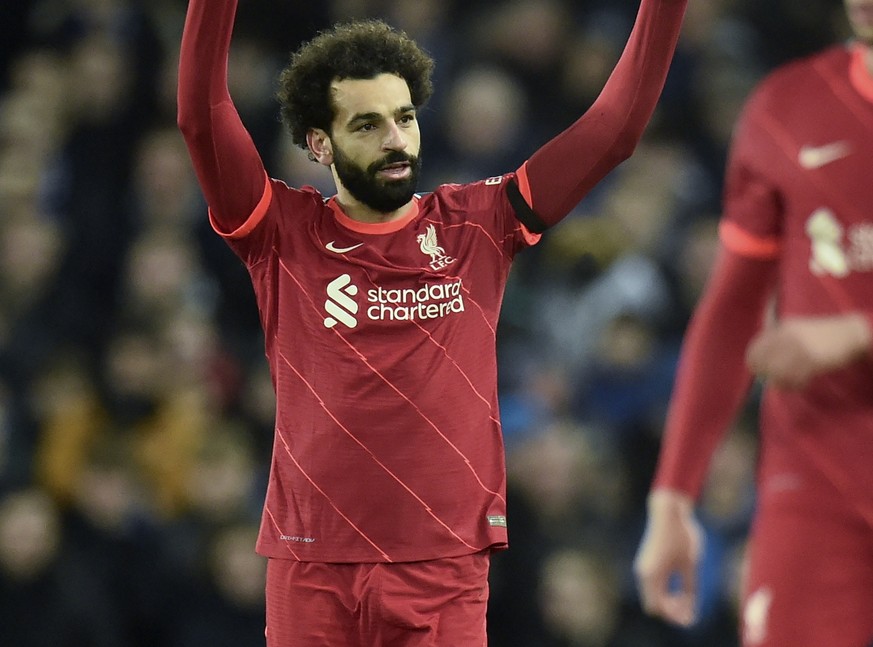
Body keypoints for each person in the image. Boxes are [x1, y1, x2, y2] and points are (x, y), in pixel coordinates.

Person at [177, 0, 687, 643]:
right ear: (318, 143)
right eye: (366, 125)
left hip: (441, 567)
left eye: (405, 118)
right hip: (311, 563)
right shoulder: (280, 232)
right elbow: (200, 116)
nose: (395, 140)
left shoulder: (479, 222)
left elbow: (616, 128)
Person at [633, 1, 873, 645]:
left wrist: (857, 333)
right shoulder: (787, 108)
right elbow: (733, 310)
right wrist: (674, 495)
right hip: (818, 483)